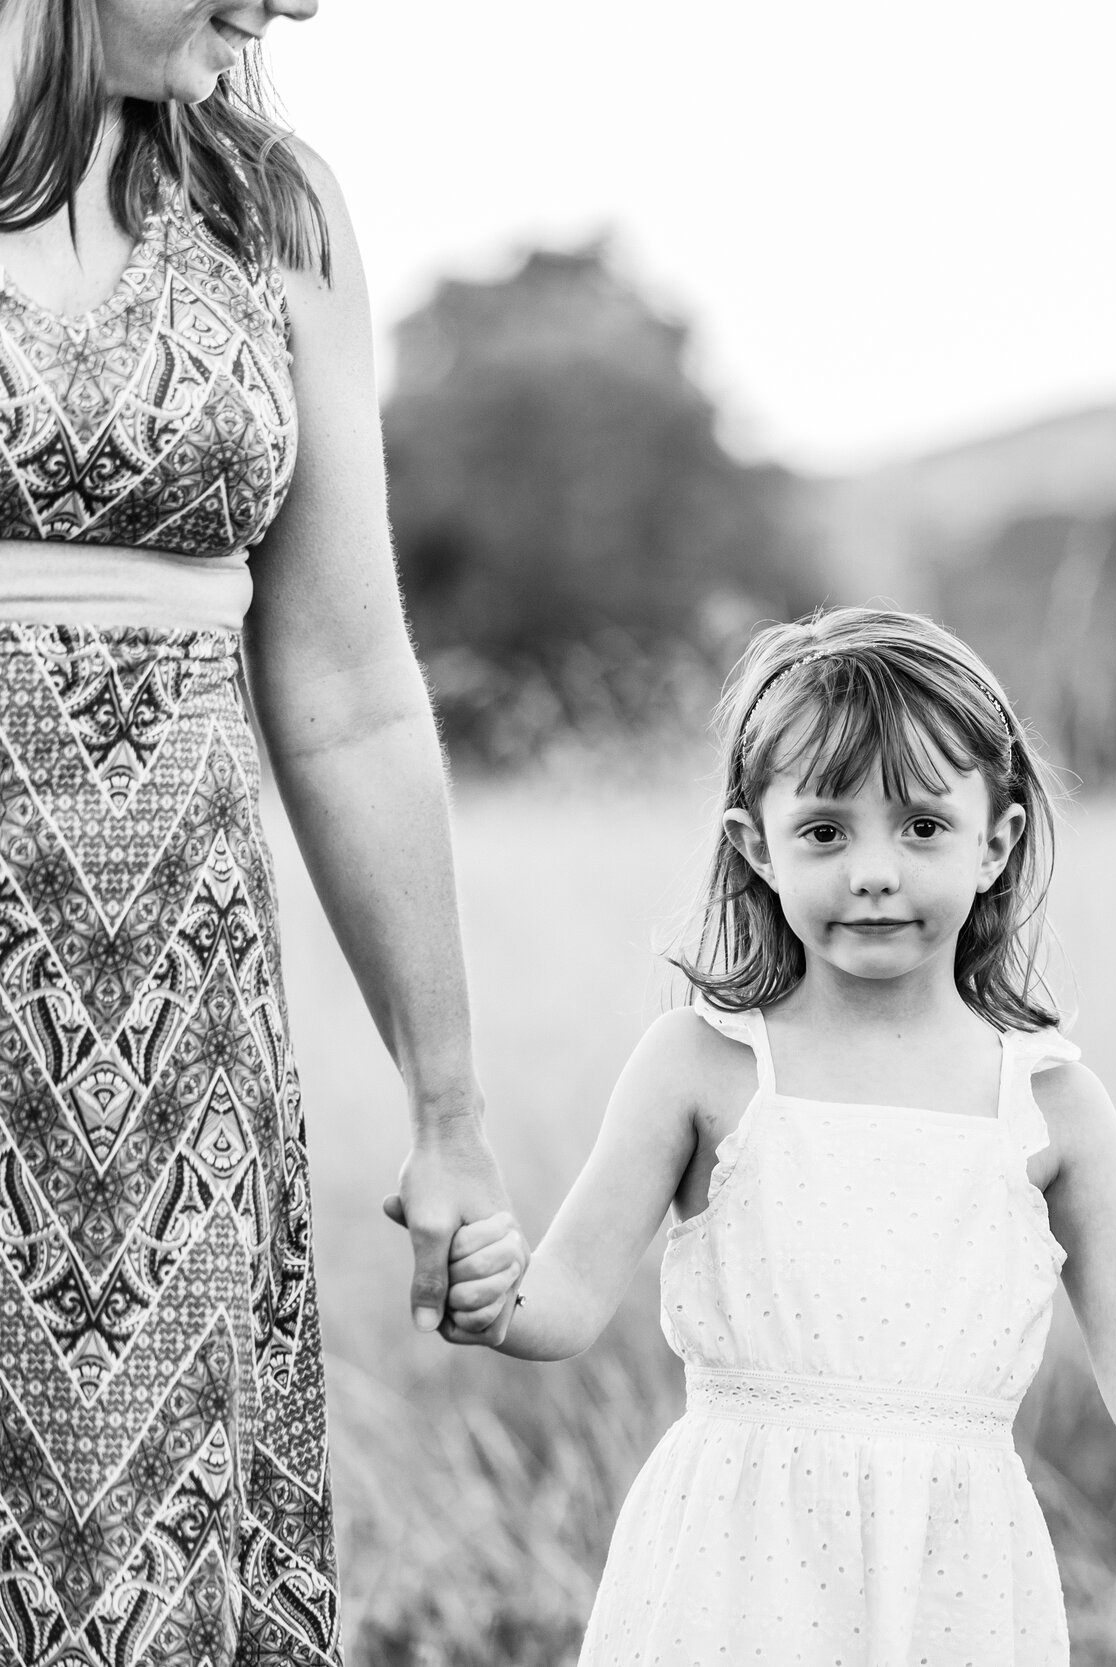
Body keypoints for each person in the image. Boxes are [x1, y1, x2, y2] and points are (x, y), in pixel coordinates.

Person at [434, 608, 1116, 1664]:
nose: (875, 869)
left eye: (921, 825)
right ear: (757, 845)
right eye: (826, 829)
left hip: (953, 1576)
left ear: (995, 840)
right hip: (731, 1565)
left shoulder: (1049, 1102)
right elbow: (561, 1301)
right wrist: (486, 1287)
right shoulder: (702, 1064)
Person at [0, 4, 514, 1662]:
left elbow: (355, 695)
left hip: (171, 1062)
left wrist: (448, 1108)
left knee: (141, 1561)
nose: (279, 6)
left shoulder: (267, 208)